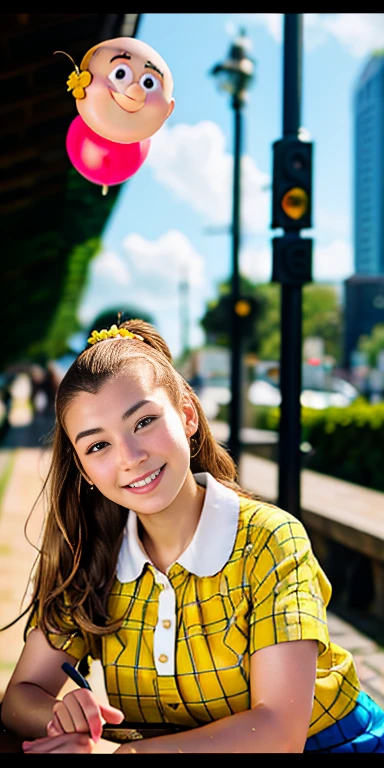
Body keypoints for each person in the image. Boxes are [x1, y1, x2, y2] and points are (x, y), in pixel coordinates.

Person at [1, 317, 383, 754]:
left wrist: (123, 754)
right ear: (83, 468)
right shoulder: (91, 556)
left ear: (186, 414)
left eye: (143, 422)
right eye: (98, 445)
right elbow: (20, 695)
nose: (130, 457)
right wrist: (61, 717)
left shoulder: (270, 540)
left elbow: (279, 732)